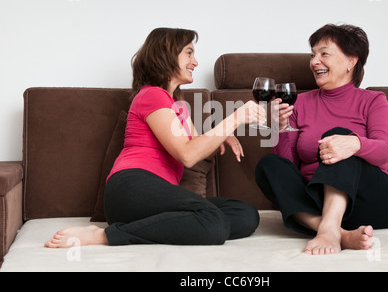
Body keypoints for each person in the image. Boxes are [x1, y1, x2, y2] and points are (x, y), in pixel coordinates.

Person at [45, 27, 265, 248]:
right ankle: (104, 236)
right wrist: (235, 118)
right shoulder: (152, 95)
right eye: (189, 53)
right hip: (132, 188)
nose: (195, 62)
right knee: (214, 223)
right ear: (166, 55)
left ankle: (163, 226)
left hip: (160, 198)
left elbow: (198, 146)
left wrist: (222, 135)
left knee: (245, 214)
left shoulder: (177, 105)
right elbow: (188, 155)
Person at [255, 24, 388, 255]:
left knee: (337, 137)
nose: (314, 61)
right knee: (268, 165)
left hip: (371, 200)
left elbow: (383, 151)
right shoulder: (300, 103)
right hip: (316, 199)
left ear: (351, 61)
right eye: (313, 55)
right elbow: (289, 167)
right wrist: (279, 129)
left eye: (324, 53)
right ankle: (337, 231)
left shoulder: (373, 100)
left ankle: (328, 229)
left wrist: (354, 143)